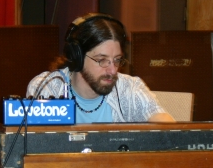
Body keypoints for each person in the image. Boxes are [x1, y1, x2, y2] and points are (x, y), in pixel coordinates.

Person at [26, 13, 176, 123]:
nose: (112, 71)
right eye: (102, 60)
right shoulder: (47, 87)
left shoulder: (129, 88)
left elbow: (166, 126)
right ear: (77, 58)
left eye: (117, 60)